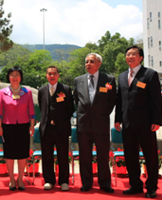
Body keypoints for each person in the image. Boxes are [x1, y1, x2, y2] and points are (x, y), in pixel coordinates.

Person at [115, 46, 161, 199]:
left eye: (133, 54)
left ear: (141, 57)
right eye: (127, 54)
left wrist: (157, 120)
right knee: (130, 156)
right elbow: (120, 101)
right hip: (127, 125)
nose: (130, 57)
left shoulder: (150, 74)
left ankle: (151, 187)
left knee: (150, 157)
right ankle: (135, 185)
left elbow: (157, 100)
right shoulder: (122, 77)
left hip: (146, 124)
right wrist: (117, 119)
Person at [73, 53, 116, 193]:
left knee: (103, 155)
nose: (88, 64)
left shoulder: (109, 80)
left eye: (91, 61)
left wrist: (102, 114)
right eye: (86, 61)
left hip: (101, 123)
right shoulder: (78, 80)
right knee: (84, 155)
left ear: (99, 64)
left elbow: (112, 101)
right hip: (83, 124)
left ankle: (104, 183)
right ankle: (86, 182)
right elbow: (76, 100)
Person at [0, 66, 35, 191]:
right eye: (12, 75)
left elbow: (32, 111)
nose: (14, 77)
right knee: (10, 154)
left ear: (21, 77)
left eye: (17, 75)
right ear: (8, 77)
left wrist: (32, 125)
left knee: (23, 153)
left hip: (23, 126)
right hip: (7, 126)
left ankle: (20, 179)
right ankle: (12, 179)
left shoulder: (27, 92)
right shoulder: (2, 92)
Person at [38, 66, 74, 191]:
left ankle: (64, 181)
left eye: (54, 73)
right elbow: (42, 107)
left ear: (58, 75)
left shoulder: (66, 89)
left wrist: (61, 120)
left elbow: (70, 109)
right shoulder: (42, 90)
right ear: (46, 76)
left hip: (61, 129)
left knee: (63, 156)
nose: (52, 76)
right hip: (46, 129)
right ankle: (49, 180)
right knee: (47, 156)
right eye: (49, 74)